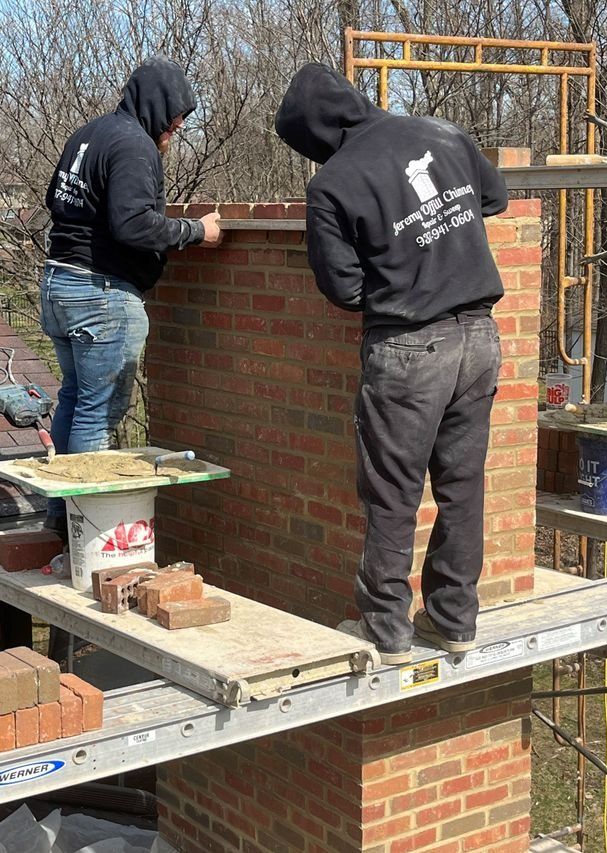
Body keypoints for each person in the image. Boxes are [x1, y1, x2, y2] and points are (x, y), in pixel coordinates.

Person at [276, 63, 508, 665]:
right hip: (480, 338)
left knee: (392, 494)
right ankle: (454, 619)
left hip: (409, 349)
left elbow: (341, 287)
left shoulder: (333, 184)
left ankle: (385, 629)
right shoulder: (442, 133)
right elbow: (494, 199)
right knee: (461, 487)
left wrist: (402, 277)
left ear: (317, 134)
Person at [41, 56, 221, 535]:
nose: (174, 131)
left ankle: (59, 522)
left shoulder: (88, 134)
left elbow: (54, 201)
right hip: (100, 292)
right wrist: (195, 230)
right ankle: (86, 538)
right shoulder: (134, 146)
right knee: (97, 417)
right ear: (157, 107)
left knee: (76, 400)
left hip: (60, 283)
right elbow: (133, 223)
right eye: (174, 121)